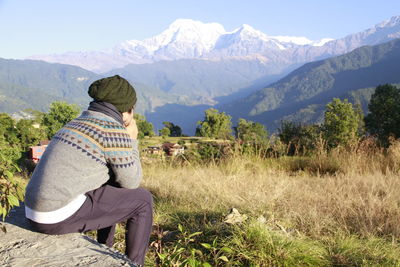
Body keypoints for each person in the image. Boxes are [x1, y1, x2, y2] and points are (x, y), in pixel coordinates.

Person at [24, 75, 152, 267]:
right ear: (127, 110)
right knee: (143, 200)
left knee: (110, 183)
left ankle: (105, 248)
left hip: (33, 211)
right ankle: (135, 264)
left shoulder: (76, 123)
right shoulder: (112, 130)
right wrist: (132, 140)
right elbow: (132, 182)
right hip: (53, 217)